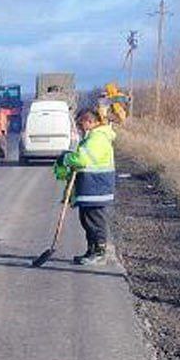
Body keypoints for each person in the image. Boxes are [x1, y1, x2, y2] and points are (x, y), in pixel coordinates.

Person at [55, 108, 117, 265]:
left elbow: (82, 160)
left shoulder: (98, 138)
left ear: (90, 122)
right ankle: (91, 250)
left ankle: (100, 253)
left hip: (96, 187)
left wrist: (68, 157)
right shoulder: (91, 138)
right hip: (90, 187)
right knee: (86, 220)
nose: (79, 127)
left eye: (80, 123)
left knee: (95, 221)